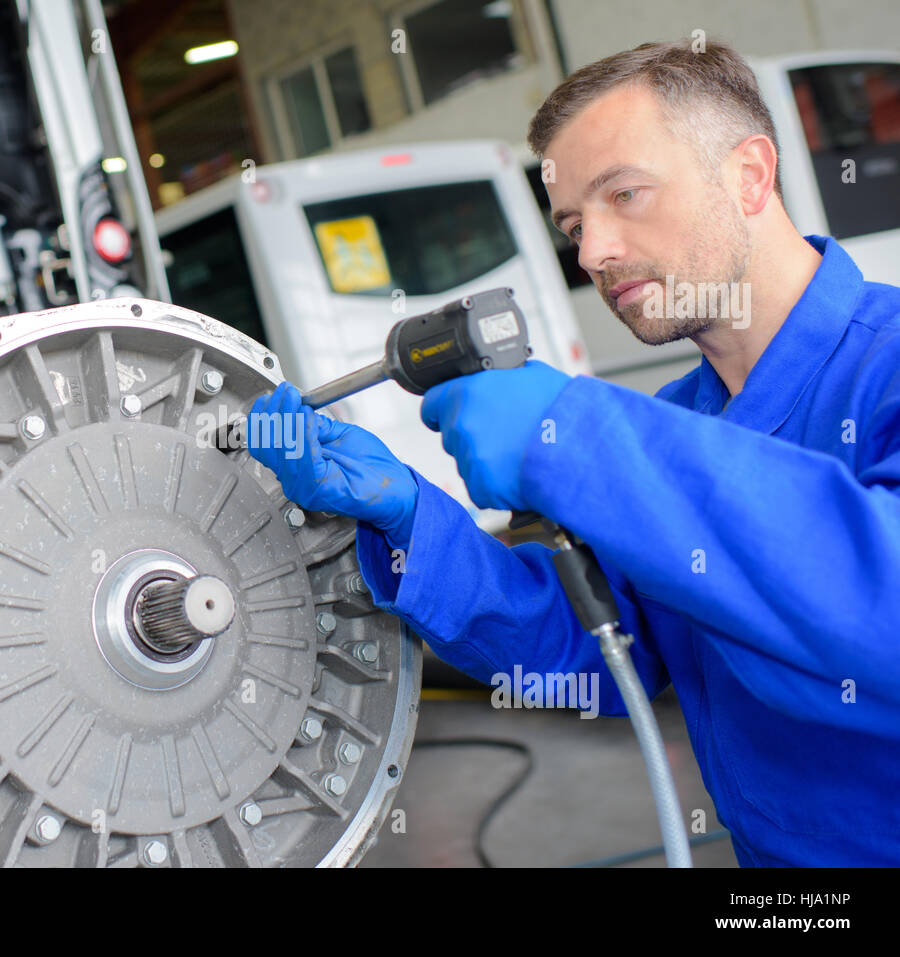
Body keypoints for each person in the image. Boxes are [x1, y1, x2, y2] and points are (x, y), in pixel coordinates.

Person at [248, 38, 900, 867]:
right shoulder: (680, 419)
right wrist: (410, 517)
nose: (592, 254)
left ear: (750, 175)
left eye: (624, 194)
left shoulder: (885, 365)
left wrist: (579, 431)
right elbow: (595, 655)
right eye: (574, 224)